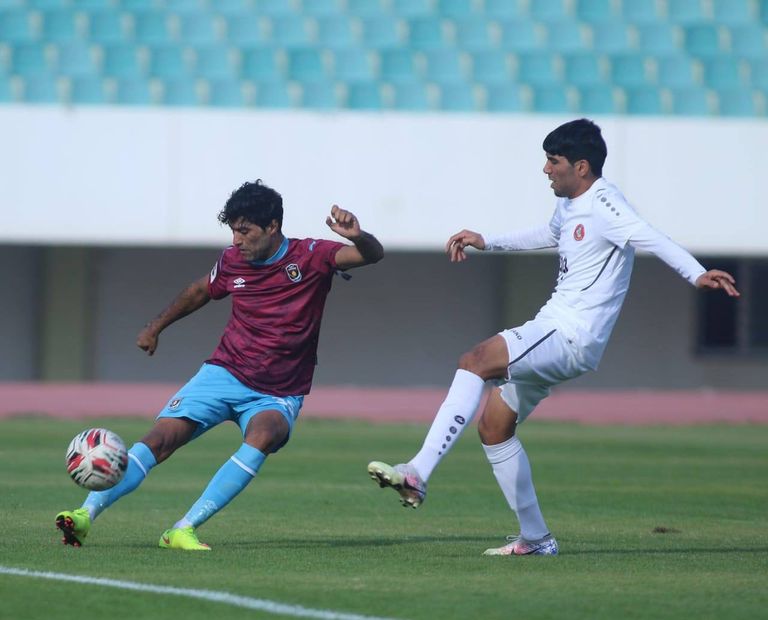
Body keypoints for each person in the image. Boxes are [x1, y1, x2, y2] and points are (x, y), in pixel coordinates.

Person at [367, 118, 739, 556]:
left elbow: (649, 236)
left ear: (581, 166)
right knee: (494, 427)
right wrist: (487, 240)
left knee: (475, 360)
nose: (546, 169)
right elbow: (548, 234)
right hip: (559, 333)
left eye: (553, 161)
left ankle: (418, 471)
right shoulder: (570, 206)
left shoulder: (604, 202)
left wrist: (697, 274)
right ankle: (537, 539)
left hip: (569, 333)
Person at [56, 179, 383, 550]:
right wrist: (155, 326)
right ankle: (84, 515)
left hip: (277, 392)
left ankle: (183, 528)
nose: (236, 240)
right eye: (232, 231)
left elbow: (372, 255)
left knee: (265, 434)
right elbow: (200, 291)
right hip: (224, 372)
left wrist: (358, 236)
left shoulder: (311, 256)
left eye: (244, 231)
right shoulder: (231, 262)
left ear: (272, 226)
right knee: (161, 439)